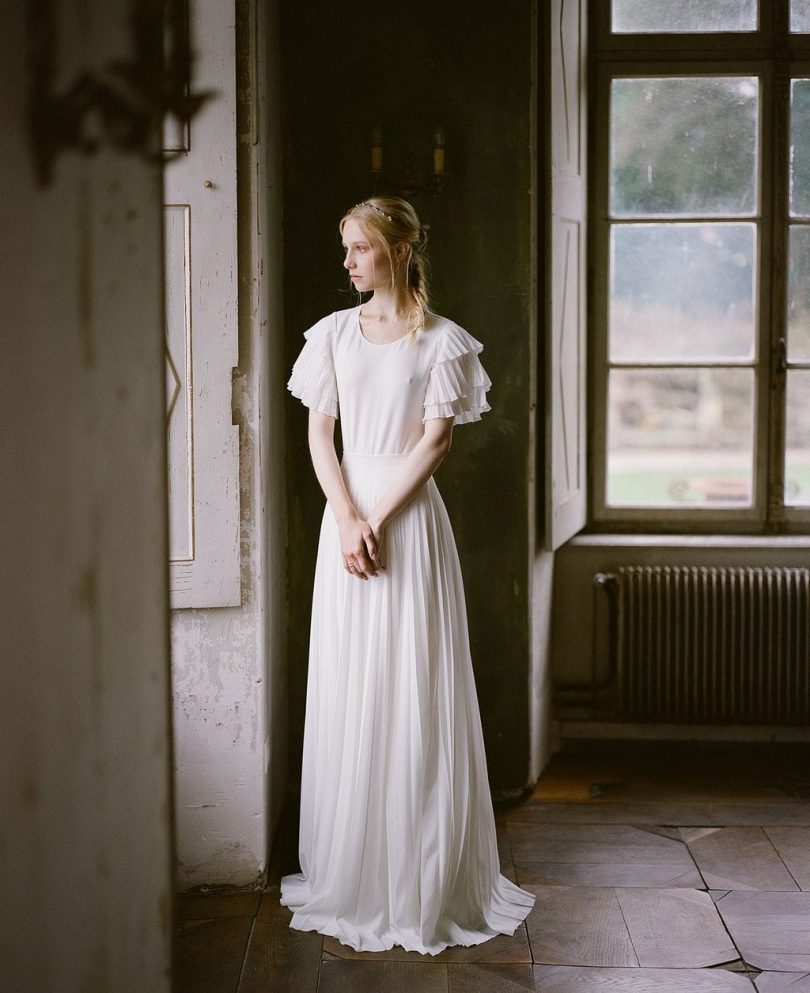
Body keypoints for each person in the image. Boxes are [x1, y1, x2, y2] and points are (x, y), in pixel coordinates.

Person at [280, 196, 535, 954]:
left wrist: (378, 518)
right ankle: (354, 870)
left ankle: (422, 878)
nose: (349, 262)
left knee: (413, 688)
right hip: (347, 520)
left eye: (360, 248)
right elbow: (320, 434)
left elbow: (434, 446)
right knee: (353, 682)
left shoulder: (443, 342)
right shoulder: (330, 335)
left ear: (399, 249)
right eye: (346, 248)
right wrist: (348, 517)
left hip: (409, 523)